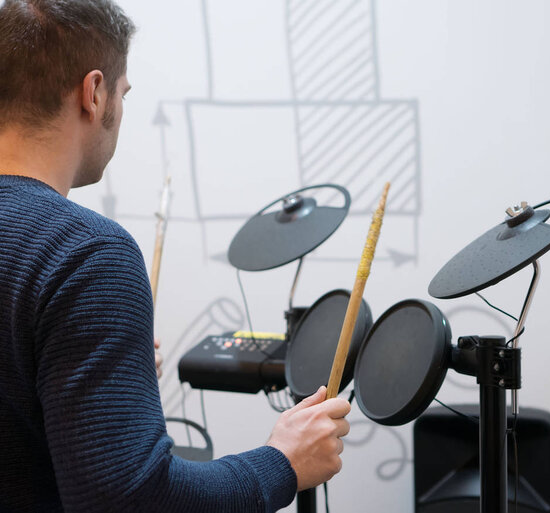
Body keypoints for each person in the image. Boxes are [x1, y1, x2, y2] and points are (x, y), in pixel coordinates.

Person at [0, 1, 351, 512]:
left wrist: (94, 387)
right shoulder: (85, 255)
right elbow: (133, 499)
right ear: (93, 93)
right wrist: (283, 462)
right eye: (123, 93)